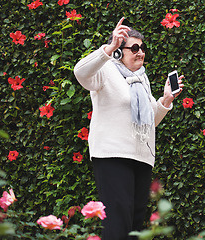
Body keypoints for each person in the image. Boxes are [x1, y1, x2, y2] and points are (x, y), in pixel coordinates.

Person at [73, 17, 184, 240]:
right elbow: (80, 72)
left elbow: (150, 121)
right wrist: (108, 47)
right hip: (113, 154)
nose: (140, 52)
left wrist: (165, 101)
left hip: (141, 158)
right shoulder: (105, 71)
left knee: (135, 224)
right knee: (117, 220)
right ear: (118, 52)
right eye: (134, 48)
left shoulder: (141, 79)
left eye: (142, 48)